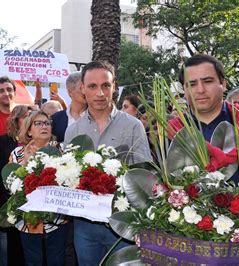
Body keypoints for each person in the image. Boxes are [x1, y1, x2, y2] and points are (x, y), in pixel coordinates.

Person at [64, 61, 152, 266]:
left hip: (123, 224)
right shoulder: (73, 131)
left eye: (105, 85)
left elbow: (143, 174)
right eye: (92, 86)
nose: (100, 93)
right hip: (85, 226)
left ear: (114, 87)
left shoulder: (133, 126)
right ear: (82, 89)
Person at [170, 54, 239, 180]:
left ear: (224, 84)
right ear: (184, 89)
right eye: (192, 84)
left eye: (208, 81)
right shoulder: (173, 130)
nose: (200, 90)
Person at [10, 110, 69, 266]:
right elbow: (9, 184)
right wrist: (26, 162)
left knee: (57, 261)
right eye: (38, 123)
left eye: (47, 123)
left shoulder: (62, 151)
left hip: (57, 219)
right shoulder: (17, 154)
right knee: (33, 262)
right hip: (28, 220)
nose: (44, 126)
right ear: (29, 130)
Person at [0, 105, 31, 266]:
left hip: (32, 204)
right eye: (26, 116)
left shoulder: (37, 141)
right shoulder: (5, 141)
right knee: (14, 247)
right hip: (11, 201)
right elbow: (0, 170)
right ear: (16, 120)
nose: (30, 118)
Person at [51, 72, 87, 143]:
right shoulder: (55, 119)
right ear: (70, 91)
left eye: (88, 87)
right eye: (81, 88)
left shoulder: (98, 117)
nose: (85, 92)